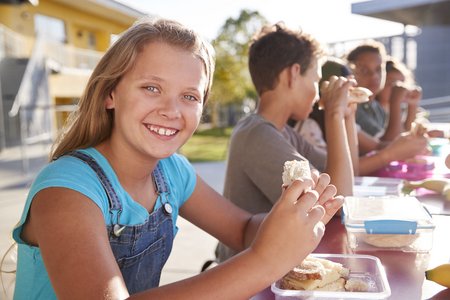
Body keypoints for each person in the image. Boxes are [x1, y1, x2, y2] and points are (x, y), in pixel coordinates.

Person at [10, 18, 343, 299]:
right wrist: (264, 260)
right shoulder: (67, 192)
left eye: (189, 96)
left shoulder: (171, 172)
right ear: (111, 93)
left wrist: (293, 218)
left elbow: (242, 230)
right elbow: (255, 250)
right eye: (152, 88)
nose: (171, 110)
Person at [216, 23, 355, 263]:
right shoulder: (256, 134)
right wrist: (333, 114)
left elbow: (349, 173)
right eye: (315, 80)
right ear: (293, 74)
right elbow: (341, 201)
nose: (318, 93)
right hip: (249, 277)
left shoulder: (285, 134)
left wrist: (346, 116)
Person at [295, 58, 429, 176]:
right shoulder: (309, 127)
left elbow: (353, 168)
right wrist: (335, 112)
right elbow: (345, 174)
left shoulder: (369, 110)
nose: (373, 76)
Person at [346, 41, 428, 160]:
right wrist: (395, 102)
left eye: (378, 69)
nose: (374, 76)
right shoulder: (354, 108)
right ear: (351, 74)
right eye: (364, 70)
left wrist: (412, 105)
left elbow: (398, 139)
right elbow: (389, 144)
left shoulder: (375, 107)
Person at [377, 57, 422, 132]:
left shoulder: (401, 109)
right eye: (392, 83)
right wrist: (395, 102)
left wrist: (413, 104)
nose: (399, 89)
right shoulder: (373, 110)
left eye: (402, 83)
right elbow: (397, 138)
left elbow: (408, 132)